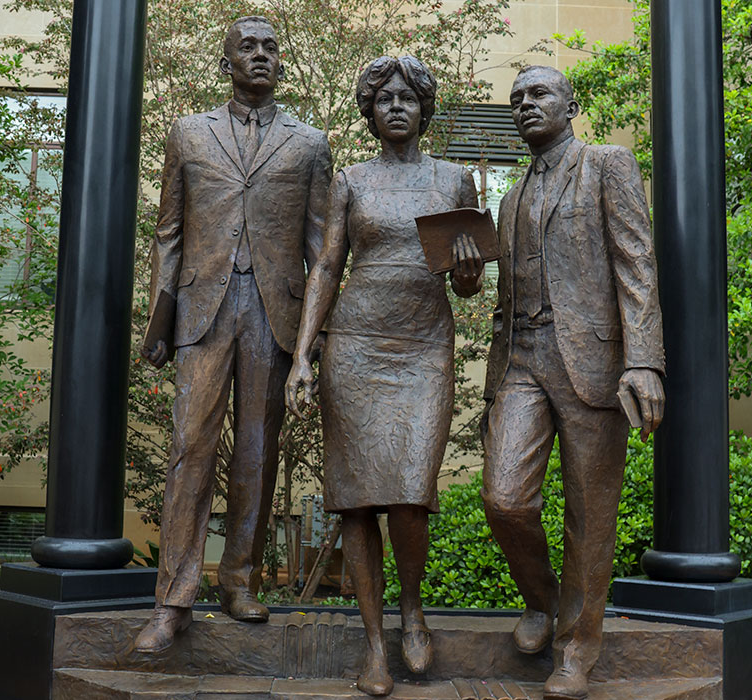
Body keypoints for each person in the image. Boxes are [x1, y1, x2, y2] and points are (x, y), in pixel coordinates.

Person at [285, 55, 483, 696]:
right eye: (384, 98)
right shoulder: (351, 181)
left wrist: (473, 267)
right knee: (357, 498)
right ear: (370, 113)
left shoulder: (455, 180)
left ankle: (413, 609)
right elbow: (327, 267)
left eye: (408, 97)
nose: (396, 105)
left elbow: (468, 283)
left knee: (410, 491)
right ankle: (374, 644)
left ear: (424, 108)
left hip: (424, 347)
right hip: (356, 345)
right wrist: (301, 357)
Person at [135, 16, 332, 653]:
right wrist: (159, 318)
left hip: (273, 314)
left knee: (257, 450)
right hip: (202, 310)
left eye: (271, 47)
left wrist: (311, 341)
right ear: (226, 62)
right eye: (247, 47)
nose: (260, 56)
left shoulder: (309, 143)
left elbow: (322, 251)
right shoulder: (189, 133)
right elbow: (169, 231)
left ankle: (240, 580)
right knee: (190, 447)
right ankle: (172, 600)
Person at [480, 65, 665, 700]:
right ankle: (544, 601)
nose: (525, 105)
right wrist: (491, 384)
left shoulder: (606, 164)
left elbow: (636, 263)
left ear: (570, 103)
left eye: (538, 94)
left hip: (593, 362)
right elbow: (503, 301)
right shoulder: (508, 199)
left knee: (591, 513)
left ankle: (577, 647)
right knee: (504, 498)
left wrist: (644, 361)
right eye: (516, 99)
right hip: (523, 363)